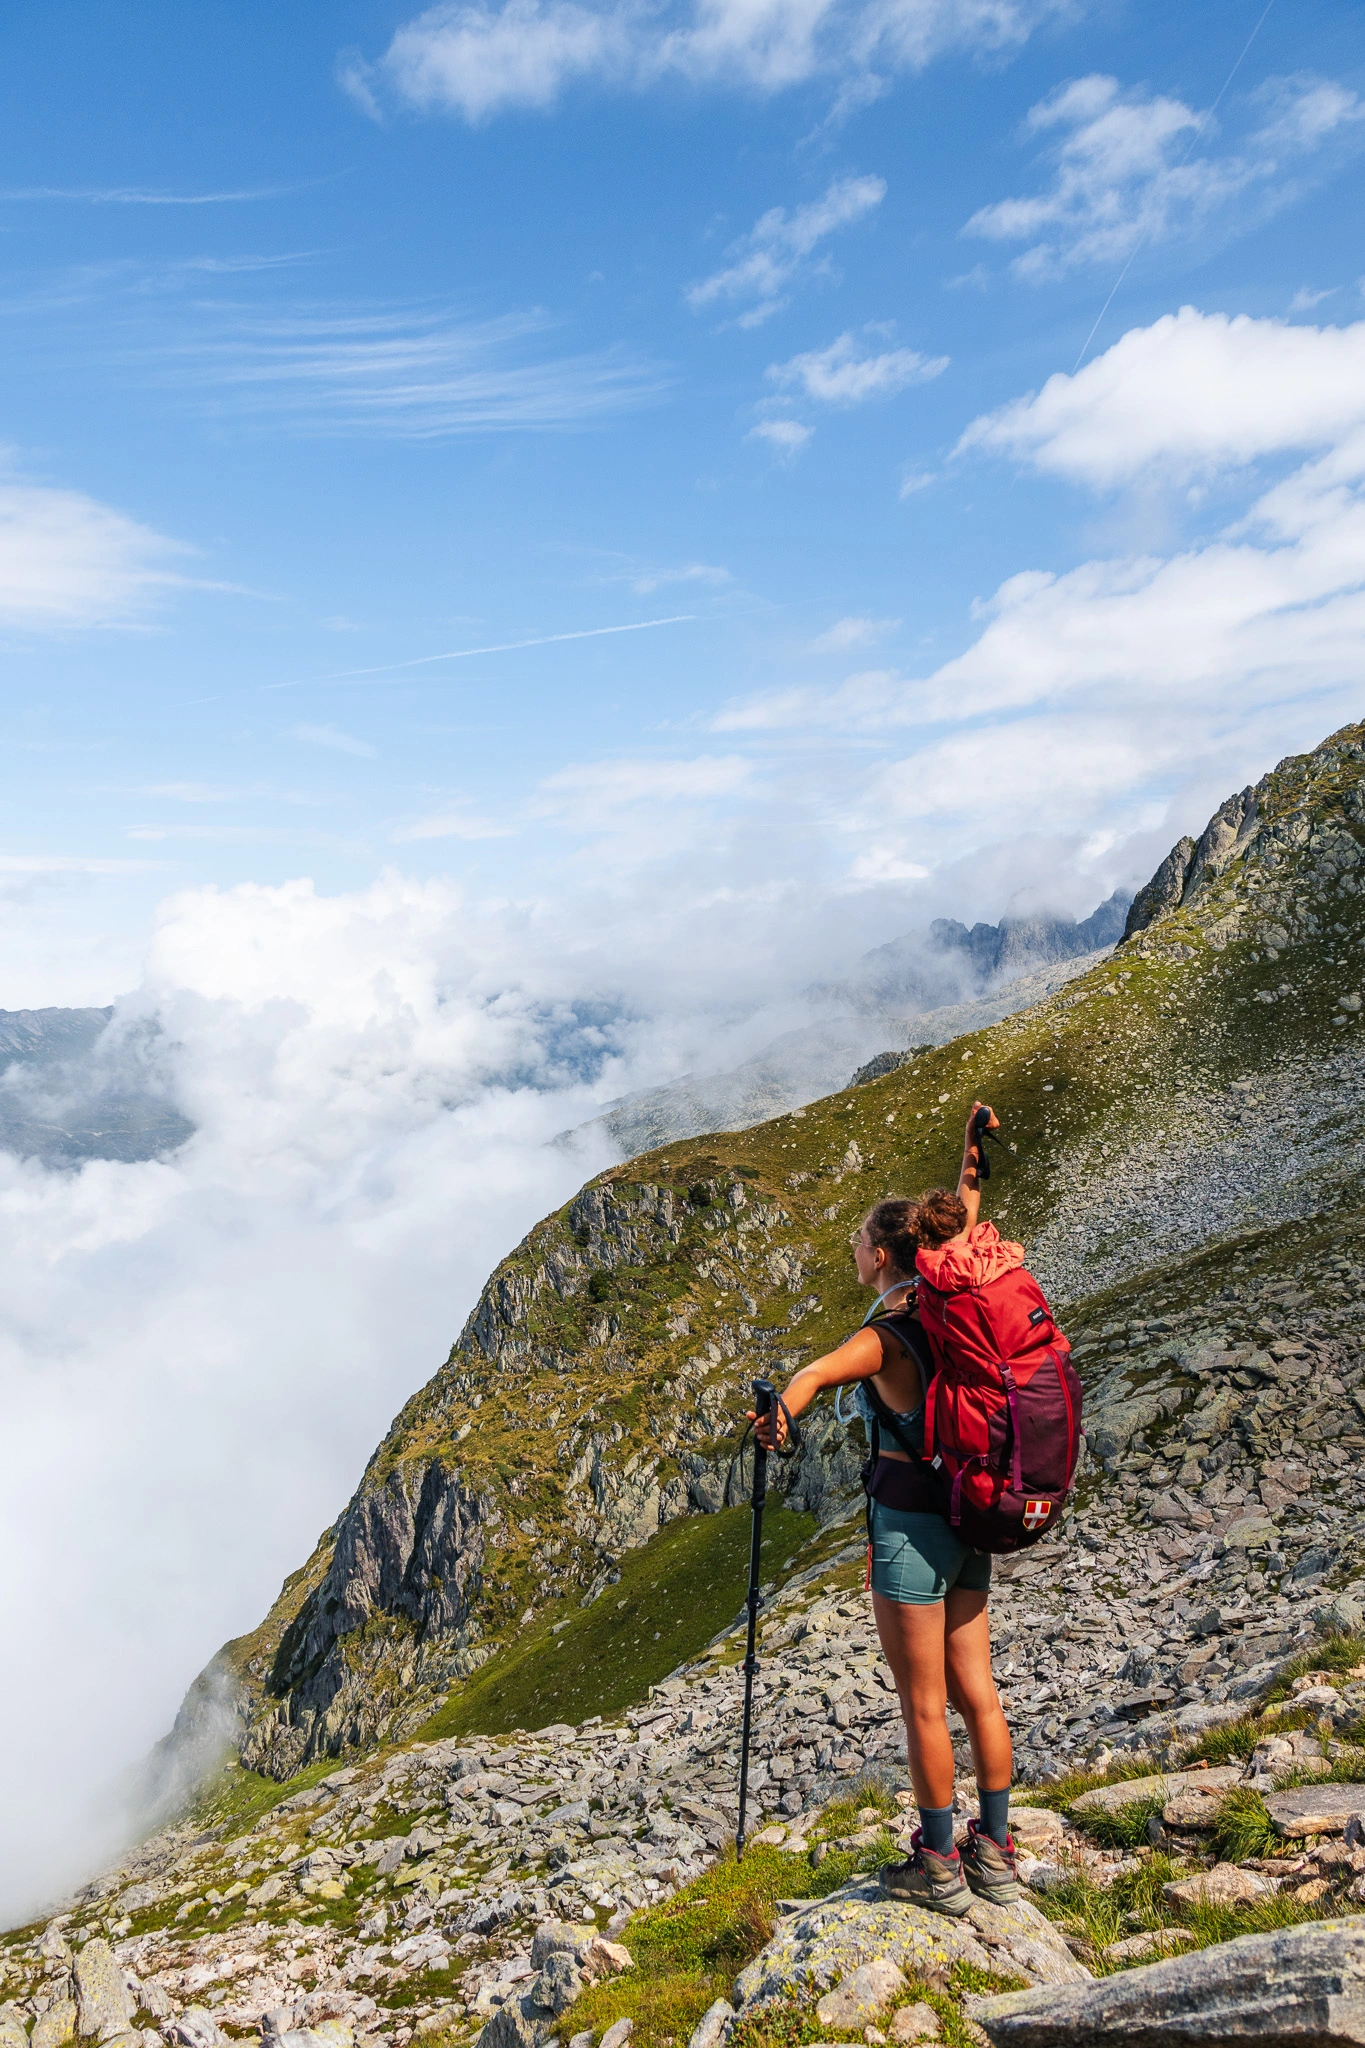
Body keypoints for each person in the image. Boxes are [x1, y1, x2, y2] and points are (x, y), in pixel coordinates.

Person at [750, 1101, 1017, 1915]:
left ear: (877, 1254)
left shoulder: (890, 1331)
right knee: (978, 1691)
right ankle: (997, 1855)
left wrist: (778, 1416)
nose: (853, 1253)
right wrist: (969, 1157)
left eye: (858, 1244)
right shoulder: (958, 1290)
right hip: (975, 1511)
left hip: (907, 1528)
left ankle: (938, 1864)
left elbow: (818, 1373)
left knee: (922, 1703)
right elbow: (962, 1212)